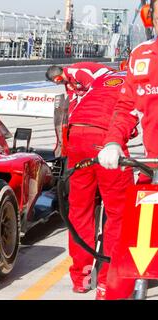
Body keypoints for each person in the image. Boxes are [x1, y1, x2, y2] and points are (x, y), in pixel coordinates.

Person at [97, 0, 158, 301]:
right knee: (128, 255)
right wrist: (112, 141)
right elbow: (126, 107)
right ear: (150, 16)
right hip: (152, 173)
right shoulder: (142, 55)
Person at [64, 71, 134, 300]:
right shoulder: (145, 76)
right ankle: (107, 283)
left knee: (80, 210)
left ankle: (80, 278)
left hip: (75, 134)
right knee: (119, 213)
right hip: (105, 135)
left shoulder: (104, 77)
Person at [45, 62, 114, 112]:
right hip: (101, 85)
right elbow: (72, 101)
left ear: (57, 78)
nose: (57, 84)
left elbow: (94, 90)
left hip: (111, 78)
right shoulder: (68, 84)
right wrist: (70, 118)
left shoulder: (76, 73)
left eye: (56, 82)